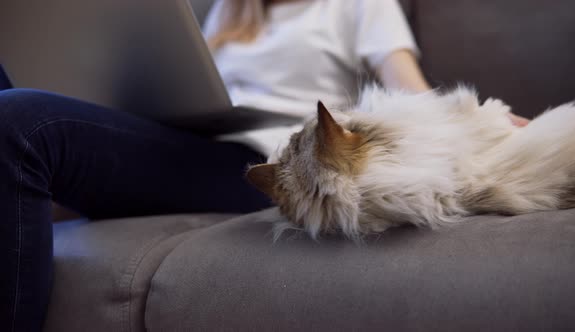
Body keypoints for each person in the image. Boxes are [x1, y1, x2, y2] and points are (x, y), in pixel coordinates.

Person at [0, 0, 528, 330]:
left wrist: (490, 121)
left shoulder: (358, 4)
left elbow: (410, 91)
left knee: (20, 117)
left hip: (268, 162)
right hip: (192, 136)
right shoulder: (229, 12)